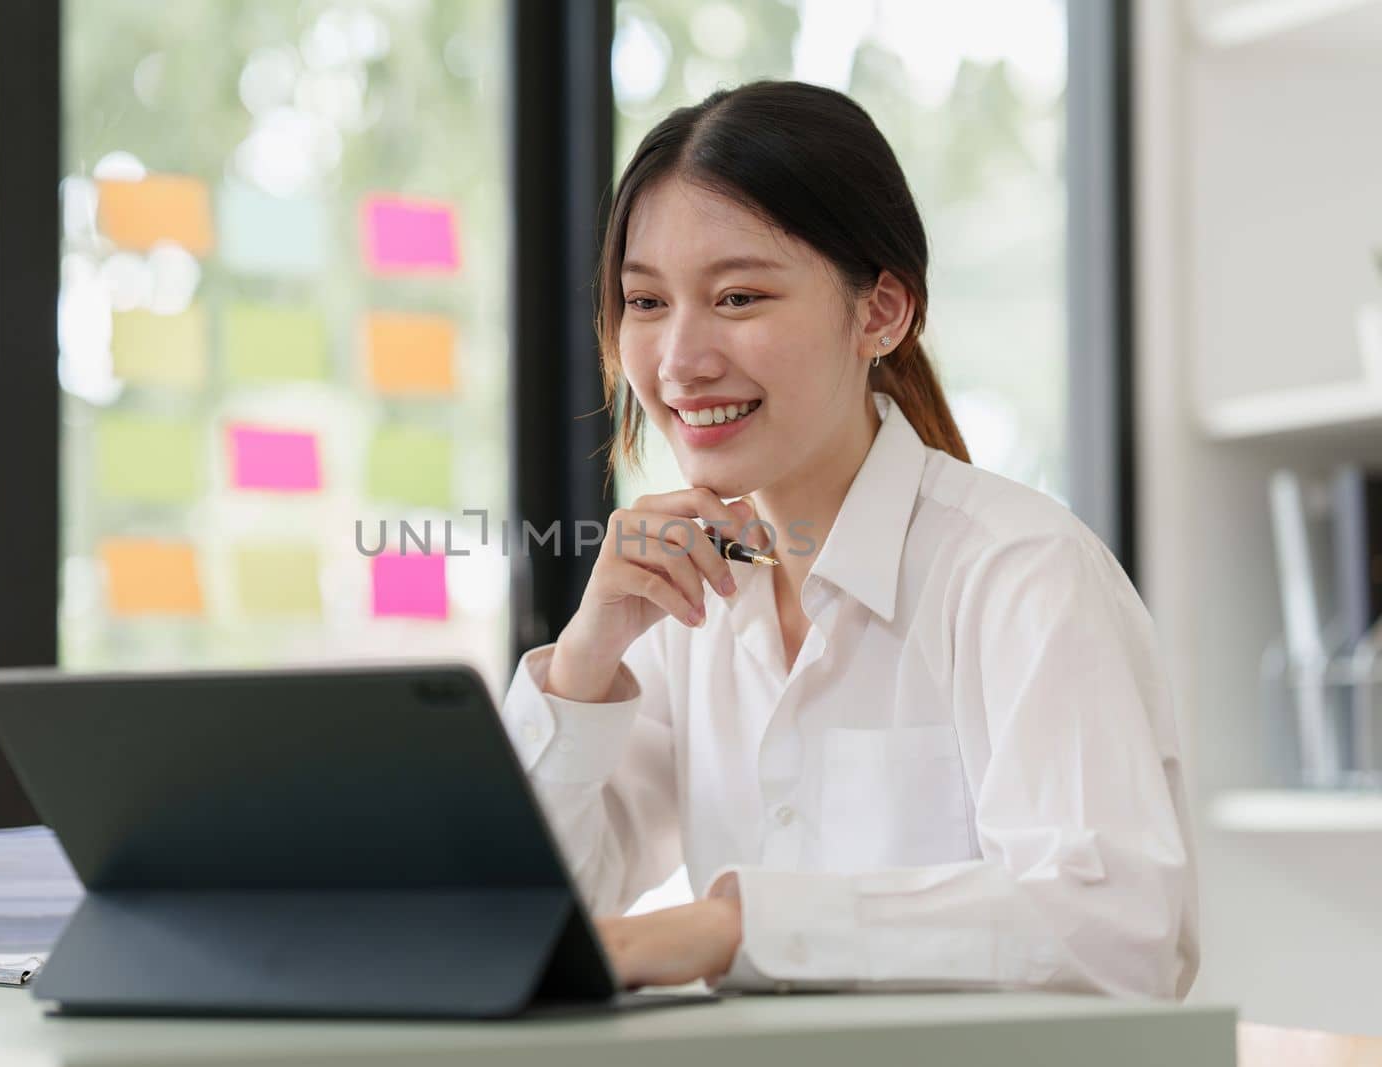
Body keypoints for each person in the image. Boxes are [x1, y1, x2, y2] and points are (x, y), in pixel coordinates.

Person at [498, 80, 1198, 998]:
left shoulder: (1019, 573)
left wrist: (733, 928)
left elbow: (1118, 928)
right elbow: (529, 914)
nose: (677, 360)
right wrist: (586, 661)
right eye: (646, 301)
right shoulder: (683, 606)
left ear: (881, 312)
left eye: (739, 296)